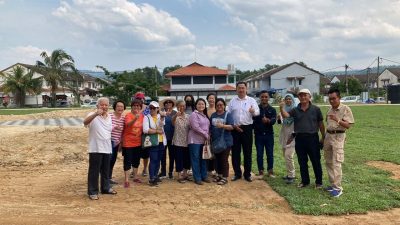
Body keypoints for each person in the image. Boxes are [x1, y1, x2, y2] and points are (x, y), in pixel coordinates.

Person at [279, 88, 325, 188]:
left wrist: (323, 137)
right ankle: (305, 181)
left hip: (312, 138)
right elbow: (286, 116)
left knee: (316, 161)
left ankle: (319, 182)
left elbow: (320, 124)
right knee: (302, 161)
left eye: (305, 95)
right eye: (301, 95)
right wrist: (281, 108)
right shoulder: (295, 110)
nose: (303, 97)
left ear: (309, 97)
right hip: (299, 139)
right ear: (298, 98)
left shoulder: (316, 109)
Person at [84, 97, 117, 200]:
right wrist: (95, 114)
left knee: (105, 170)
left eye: (106, 105)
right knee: (94, 171)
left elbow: (108, 130)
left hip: (107, 147)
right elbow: (85, 122)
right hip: (96, 148)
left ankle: (105, 188)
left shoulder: (109, 117)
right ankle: (92, 191)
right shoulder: (92, 115)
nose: (104, 106)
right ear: (97, 105)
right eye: (102, 104)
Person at [323, 89, 354, 197]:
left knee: (336, 162)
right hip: (328, 136)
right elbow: (327, 123)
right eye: (330, 99)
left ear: (339, 98)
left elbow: (348, 125)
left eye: (334, 98)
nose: (331, 101)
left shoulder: (345, 109)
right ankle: (332, 184)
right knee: (328, 161)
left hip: (338, 136)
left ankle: (338, 188)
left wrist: (338, 120)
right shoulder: (329, 109)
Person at [227, 82, 260, 182]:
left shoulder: (251, 100)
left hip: (247, 129)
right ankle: (237, 173)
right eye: (239, 88)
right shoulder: (232, 101)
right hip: (235, 129)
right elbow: (228, 114)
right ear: (236, 89)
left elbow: (257, 112)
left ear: (246, 89)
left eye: (243, 88)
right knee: (235, 152)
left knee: (247, 152)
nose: (241, 90)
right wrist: (233, 125)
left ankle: (247, 174)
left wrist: (253, 111)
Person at [210, 98, 234, 185]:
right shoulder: (213, 115)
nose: (219, 106)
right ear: (215, 106)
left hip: (226, 141)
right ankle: (219, 175)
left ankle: (225, 177)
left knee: (224, 159)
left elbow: (232, 127)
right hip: (215, 141)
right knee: (217, 159)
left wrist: (223, 126)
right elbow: (210, 127)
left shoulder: (228, 115)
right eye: (218, 105)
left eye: (221, 105)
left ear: (224, 106)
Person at [253, 90, 276, 178]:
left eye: (266, 97)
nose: (264, 98)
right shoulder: (256, 109)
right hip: (258, 135)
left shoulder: (272, 109)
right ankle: (261, 171)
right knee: (259, 154)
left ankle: (270, 171)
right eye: (262, 97)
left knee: (269, 153)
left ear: (268, 98)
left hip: (269, 135)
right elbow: (253, 120)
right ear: (260, 98)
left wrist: (268, 121)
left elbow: (274, 121)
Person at [143, 101, 166, 186]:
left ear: (157, 109)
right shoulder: (147, 117)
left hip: (161, 141)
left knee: (158, 160)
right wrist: (156, 131)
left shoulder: (160, 116)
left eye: (154, 108)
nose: (152, 109)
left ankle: (155, 175)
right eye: (151, 108)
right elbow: (145, 130)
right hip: (153, 142)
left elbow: (162, 125)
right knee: (153, 160)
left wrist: (162, 117)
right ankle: (151, 177)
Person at [122, 99, 144, 188]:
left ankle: (135, 176)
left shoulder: (142, 116)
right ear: (131, 107)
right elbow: (128, 125)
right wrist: (135, 118)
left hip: (138, 142)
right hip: (128, 143)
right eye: (134, 106)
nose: (136, 107)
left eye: (138, 106)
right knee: (127, 161)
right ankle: (126, 180)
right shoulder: (128, 115)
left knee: (136, 161)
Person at [188, 98, 210, 185]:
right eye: (199, 104)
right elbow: (195, 127)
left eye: (203, 104)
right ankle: (197, 178)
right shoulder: (194, 114)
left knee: (203, 159)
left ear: (205, 106)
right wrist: (206, 135)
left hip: (203, 141)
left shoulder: (204, 115)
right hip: (194, 141)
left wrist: (208, 136)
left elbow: (207, 128)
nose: (201, 105)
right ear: (196, 105)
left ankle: (204, 176)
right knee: (195, 159)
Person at [278, 93, 297, 184]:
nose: (288, 100)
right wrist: (279, 117)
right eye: (287, 99)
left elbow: (289, 118)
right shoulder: (283, 109)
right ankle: (289, 174)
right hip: (284, 135)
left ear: (292, 100)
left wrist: (281, 109)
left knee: (289, 156)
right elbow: (280, 122)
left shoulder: (295, 110)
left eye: (290, 99)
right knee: (285, 155)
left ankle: (292, 175)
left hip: (292, 135)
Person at [172, 100, 191, 183]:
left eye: (183, 106)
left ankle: (185, 174)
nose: (182, 107)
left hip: (187, 141)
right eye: (180, 106)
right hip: (178, 141)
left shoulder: (188, 116)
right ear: (177, 107)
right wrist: (176, 115)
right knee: (179, 158)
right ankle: (180, 175)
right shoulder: (175, 116)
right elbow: (172, 123)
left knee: (187, 158)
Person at [159, 98, 177, 179]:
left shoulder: (175, 113)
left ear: (173, 105)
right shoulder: (161, 112)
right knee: (162, 155)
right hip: (163, 137)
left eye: (170, 103)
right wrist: (163, 114)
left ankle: (170, 172)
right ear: (164, 104)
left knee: (172, 155)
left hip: (172, 137)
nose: (168, 104)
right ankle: (163, 172)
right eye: (166, 102)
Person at [109, 100, 126, 185]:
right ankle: (105, 178)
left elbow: (123, 131)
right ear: (115, 107)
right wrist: (114, 127)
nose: (120, 108)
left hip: (117, 142)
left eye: (122, 107)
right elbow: (106, 126)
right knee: (109, 159)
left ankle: (109, 177)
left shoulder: (123, 118)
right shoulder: (110, 116)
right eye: (118, 106)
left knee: (113, 160)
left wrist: (121, 142)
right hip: (109, 141)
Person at [133, 92, 149, 176]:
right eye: (138, 99)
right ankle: (134, 170)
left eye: (141, 99)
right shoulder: (134, 108)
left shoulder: (148, 108)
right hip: (135, 134)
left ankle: (145, 169)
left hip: (145, 134)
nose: (139, 100)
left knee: (145, 154)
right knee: (135, 153)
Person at [205, 93, 217, 177]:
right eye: (210, 98)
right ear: (207, 100)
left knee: (215, 151)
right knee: (207, 151)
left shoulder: (218, 109)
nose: (211, 100)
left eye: (213, 98)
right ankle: (208, 169)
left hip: (216, 134)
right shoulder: (204, 109)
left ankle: (216, 169)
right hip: (205, 134)